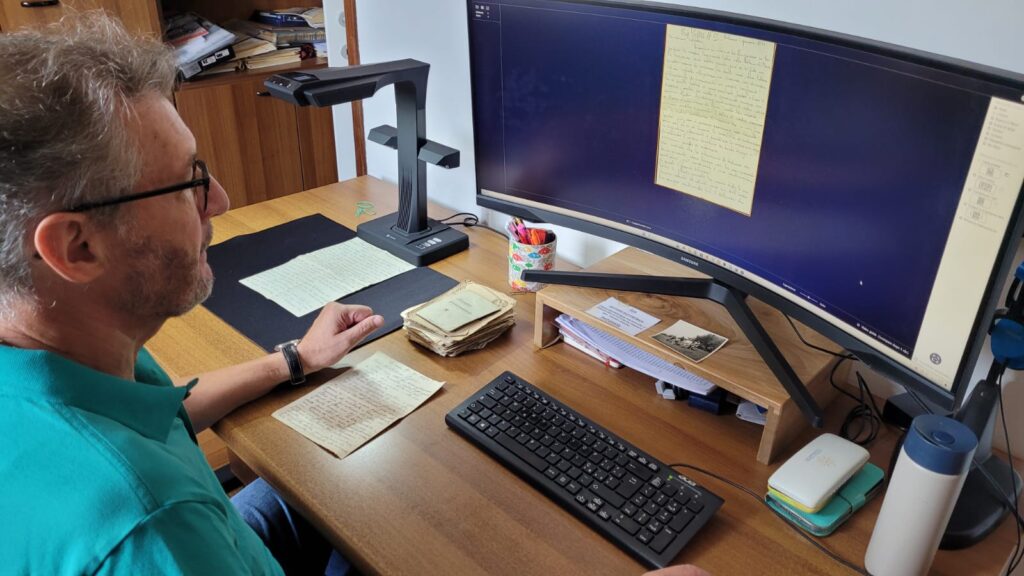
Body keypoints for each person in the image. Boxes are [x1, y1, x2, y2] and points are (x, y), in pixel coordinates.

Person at [0, 14, 382, 575]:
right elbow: (150, 505)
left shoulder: (71, 349)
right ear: (76, 247)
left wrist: (294, 359)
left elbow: (163, 413)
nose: (220, 201)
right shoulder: (152, 525)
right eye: (189, 183)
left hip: (217, 535)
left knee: (345, 492)